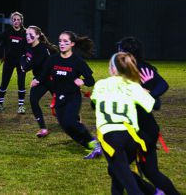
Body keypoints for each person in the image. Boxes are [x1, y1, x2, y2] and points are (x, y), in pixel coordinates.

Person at [118, 37, 180, 195]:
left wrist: (149, 94)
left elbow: (162, 88)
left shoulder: (143, 69)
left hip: (143, 131)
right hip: (138, 129)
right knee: (150, 172)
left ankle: (153, 192)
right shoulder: (125, 71)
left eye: (119, 51)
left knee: (118, 169)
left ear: (128, 54)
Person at [91, 52, 156, 194]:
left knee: (131, 187)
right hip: (131, 138)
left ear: (113, 69)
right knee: (116, 174)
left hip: (111, 138)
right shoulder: (133, 85)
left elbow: (94, 101)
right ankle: (153, 191)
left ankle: (154, 192)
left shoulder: (101, 84)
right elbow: (151, 105)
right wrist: (146, 90)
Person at [32, 31, 101, 158]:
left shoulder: (77, 61)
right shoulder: (53, 60)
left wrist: (83, 81)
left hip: (72, 97)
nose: (61, 44)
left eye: (65, 41)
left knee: (70, 121)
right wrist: (37, 80)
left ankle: (94, 143)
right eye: (60, 41)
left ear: (72, 44)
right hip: (58, 97)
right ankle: (91, 146)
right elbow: (44, 75)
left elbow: (91, 81)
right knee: (66, 126)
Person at [20, 25, 58, 137]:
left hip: (52, 80)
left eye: (30, 34)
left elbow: (27, 66)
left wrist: (37, 79)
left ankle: (77, 120)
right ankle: (43, 129)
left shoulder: (42, 49)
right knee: (33, 100)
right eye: (26, 34)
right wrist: (24, 63)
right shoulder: (28, 46)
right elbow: (23, 61)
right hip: (40, 79)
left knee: (61, 104)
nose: (27, 36)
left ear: (37, 35)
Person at [0, 12, 27, 114]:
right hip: (9, 61)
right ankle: (0, 104)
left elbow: (28, 49)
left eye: (18, 19)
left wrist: (28, 60)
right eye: (14, 19)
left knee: (21, 83)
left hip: (21, 62)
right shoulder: (7, 32)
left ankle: (21, 106)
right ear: (12, 21)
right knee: (4, 82)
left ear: (21, 21)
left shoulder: (25, 33)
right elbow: (1, 47)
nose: (16, 21)